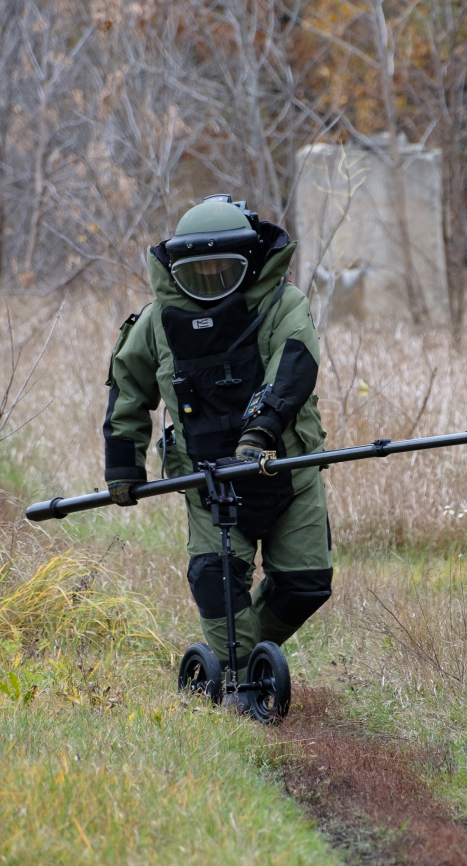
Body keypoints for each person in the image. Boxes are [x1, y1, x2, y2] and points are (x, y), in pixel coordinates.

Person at [102, 195, 332, 708]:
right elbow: (128, 388)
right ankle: (235, 677)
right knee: (216, 577)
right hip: (205, 479)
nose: (209, 277)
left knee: (307, 584)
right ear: (176, 268)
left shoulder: (282, 303)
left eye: (222, 268)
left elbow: (292, 369)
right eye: (196, 270)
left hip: (284, 468)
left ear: (248, 262)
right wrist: (122, 464)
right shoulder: (158, 322)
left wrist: (258, 435)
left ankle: (245, 657)